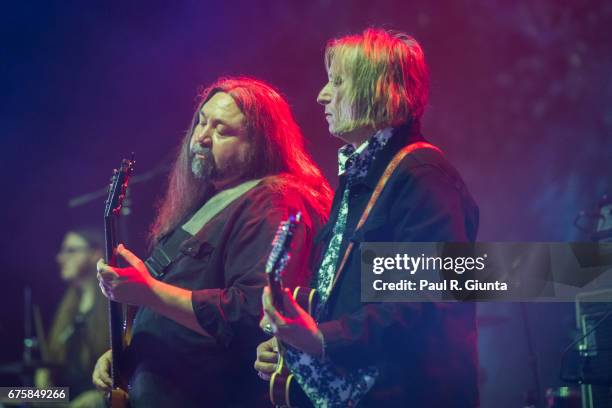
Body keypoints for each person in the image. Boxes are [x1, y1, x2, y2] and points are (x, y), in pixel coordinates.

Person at [255, 28, 480, 407]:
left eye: (337, 82)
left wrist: (322, 339)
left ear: (379, 90)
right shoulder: (361, 176)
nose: (321, 95)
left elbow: (423, 304)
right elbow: (347, 298)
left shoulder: (422, 174)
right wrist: (294, 348)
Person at [92, 77, 332, 407]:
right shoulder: (212, 201)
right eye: (202, 122)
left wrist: (150, 292)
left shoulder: (273, 202)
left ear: (260, 144)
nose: (202, 137)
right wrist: (128, 350)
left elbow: (252, 310)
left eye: (222, 130)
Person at [35, 228, 108, 408]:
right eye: (62, 251)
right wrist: (43, 374)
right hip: (63, 396)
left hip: (94, 397)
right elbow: (53, 358)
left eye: (71, 250)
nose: (60, 258)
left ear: (95, 254)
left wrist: (99, 398)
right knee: (8, 394)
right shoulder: (66, 307)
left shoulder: (112, 306)